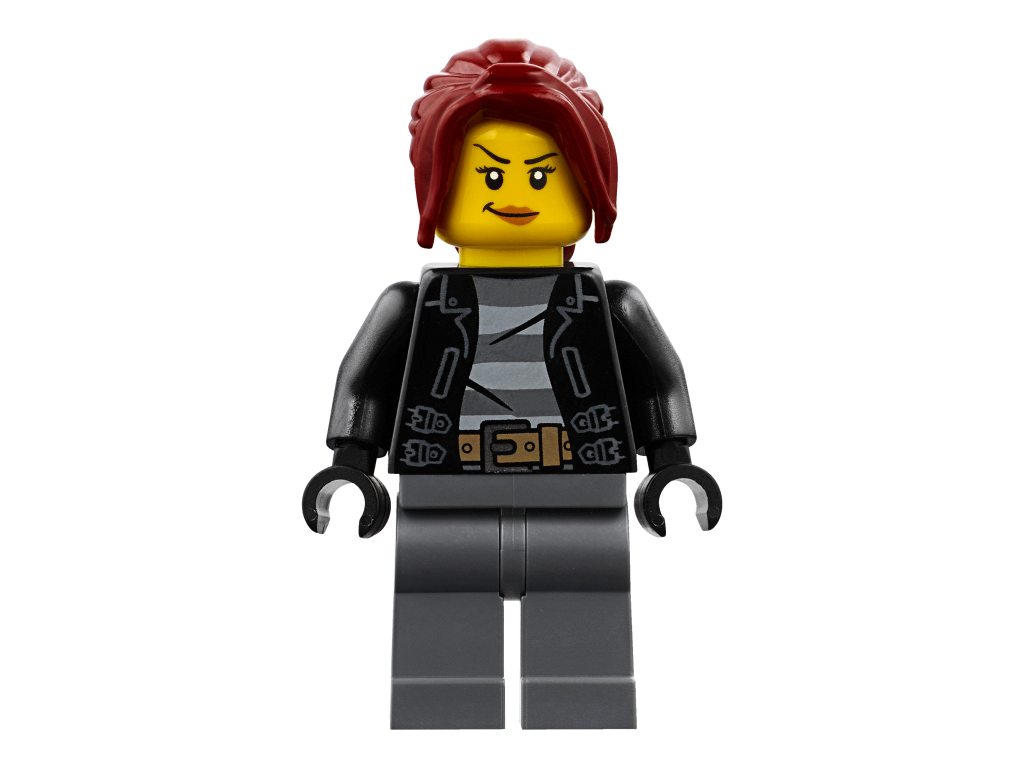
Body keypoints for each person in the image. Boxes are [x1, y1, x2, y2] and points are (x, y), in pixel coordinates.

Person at [302, 39, 721, 730]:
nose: (517, 197)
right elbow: (365, 384)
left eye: (543, 175)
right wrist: (351, 464)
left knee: (585, 631)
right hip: (442, 488)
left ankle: (581, 726)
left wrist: (672, 462)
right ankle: (444, 727)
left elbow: (659, 379)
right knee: (439, 636)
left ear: (587, 184)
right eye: (490, 177)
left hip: (583, 489)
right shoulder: (410, 305)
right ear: (439, 188)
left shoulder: (612, 304)